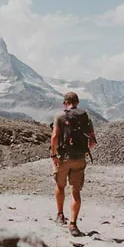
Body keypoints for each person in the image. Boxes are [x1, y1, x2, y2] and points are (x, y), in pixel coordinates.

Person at [50, 92, 97, 237]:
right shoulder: (85, 117)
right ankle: (73, 224)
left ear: (65, 103)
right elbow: (93, 142)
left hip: (63, 158)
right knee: (75, 192)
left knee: (60, 186)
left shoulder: (60, 116)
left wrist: (53, 155)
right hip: (79, 159)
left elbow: (54, 137)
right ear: (77, 102)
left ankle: (59, 215)